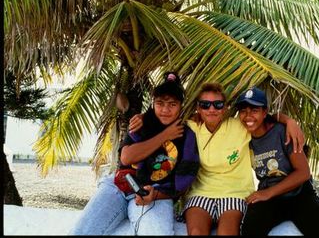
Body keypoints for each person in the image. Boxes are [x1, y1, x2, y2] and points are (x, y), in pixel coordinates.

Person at [129, 82, 305, 235]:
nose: (211, 109)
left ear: (226, 107)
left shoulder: (241, 126)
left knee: (227, 233)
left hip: (235, 193)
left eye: (217, 104)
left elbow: (262, 117)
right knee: (196, 233)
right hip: (201, 192)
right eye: (205, 105)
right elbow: (164, 116)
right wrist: (143, 117)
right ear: (198, 108)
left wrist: (289, 121)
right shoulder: (192, 126)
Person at [70, 72, 200, 235]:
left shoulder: (187, 135)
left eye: (172, 104)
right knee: (82, 232)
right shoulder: (142, 123)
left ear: (181, 105)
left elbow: (182, 183)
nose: (165, 110)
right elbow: (126, 157)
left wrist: (155, 195)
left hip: (154, 192)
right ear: (153, 103)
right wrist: (165, 135)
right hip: (119, 185)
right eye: (160, 103)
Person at [236, 86, 319, 236]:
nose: (248, 116)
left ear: (265, 112)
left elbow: (303, 173)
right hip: (270, 200)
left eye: (254, 110)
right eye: (243, 111)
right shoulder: (242, 135)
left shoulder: (282, 132)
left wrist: (268, 193)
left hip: (299, 195)